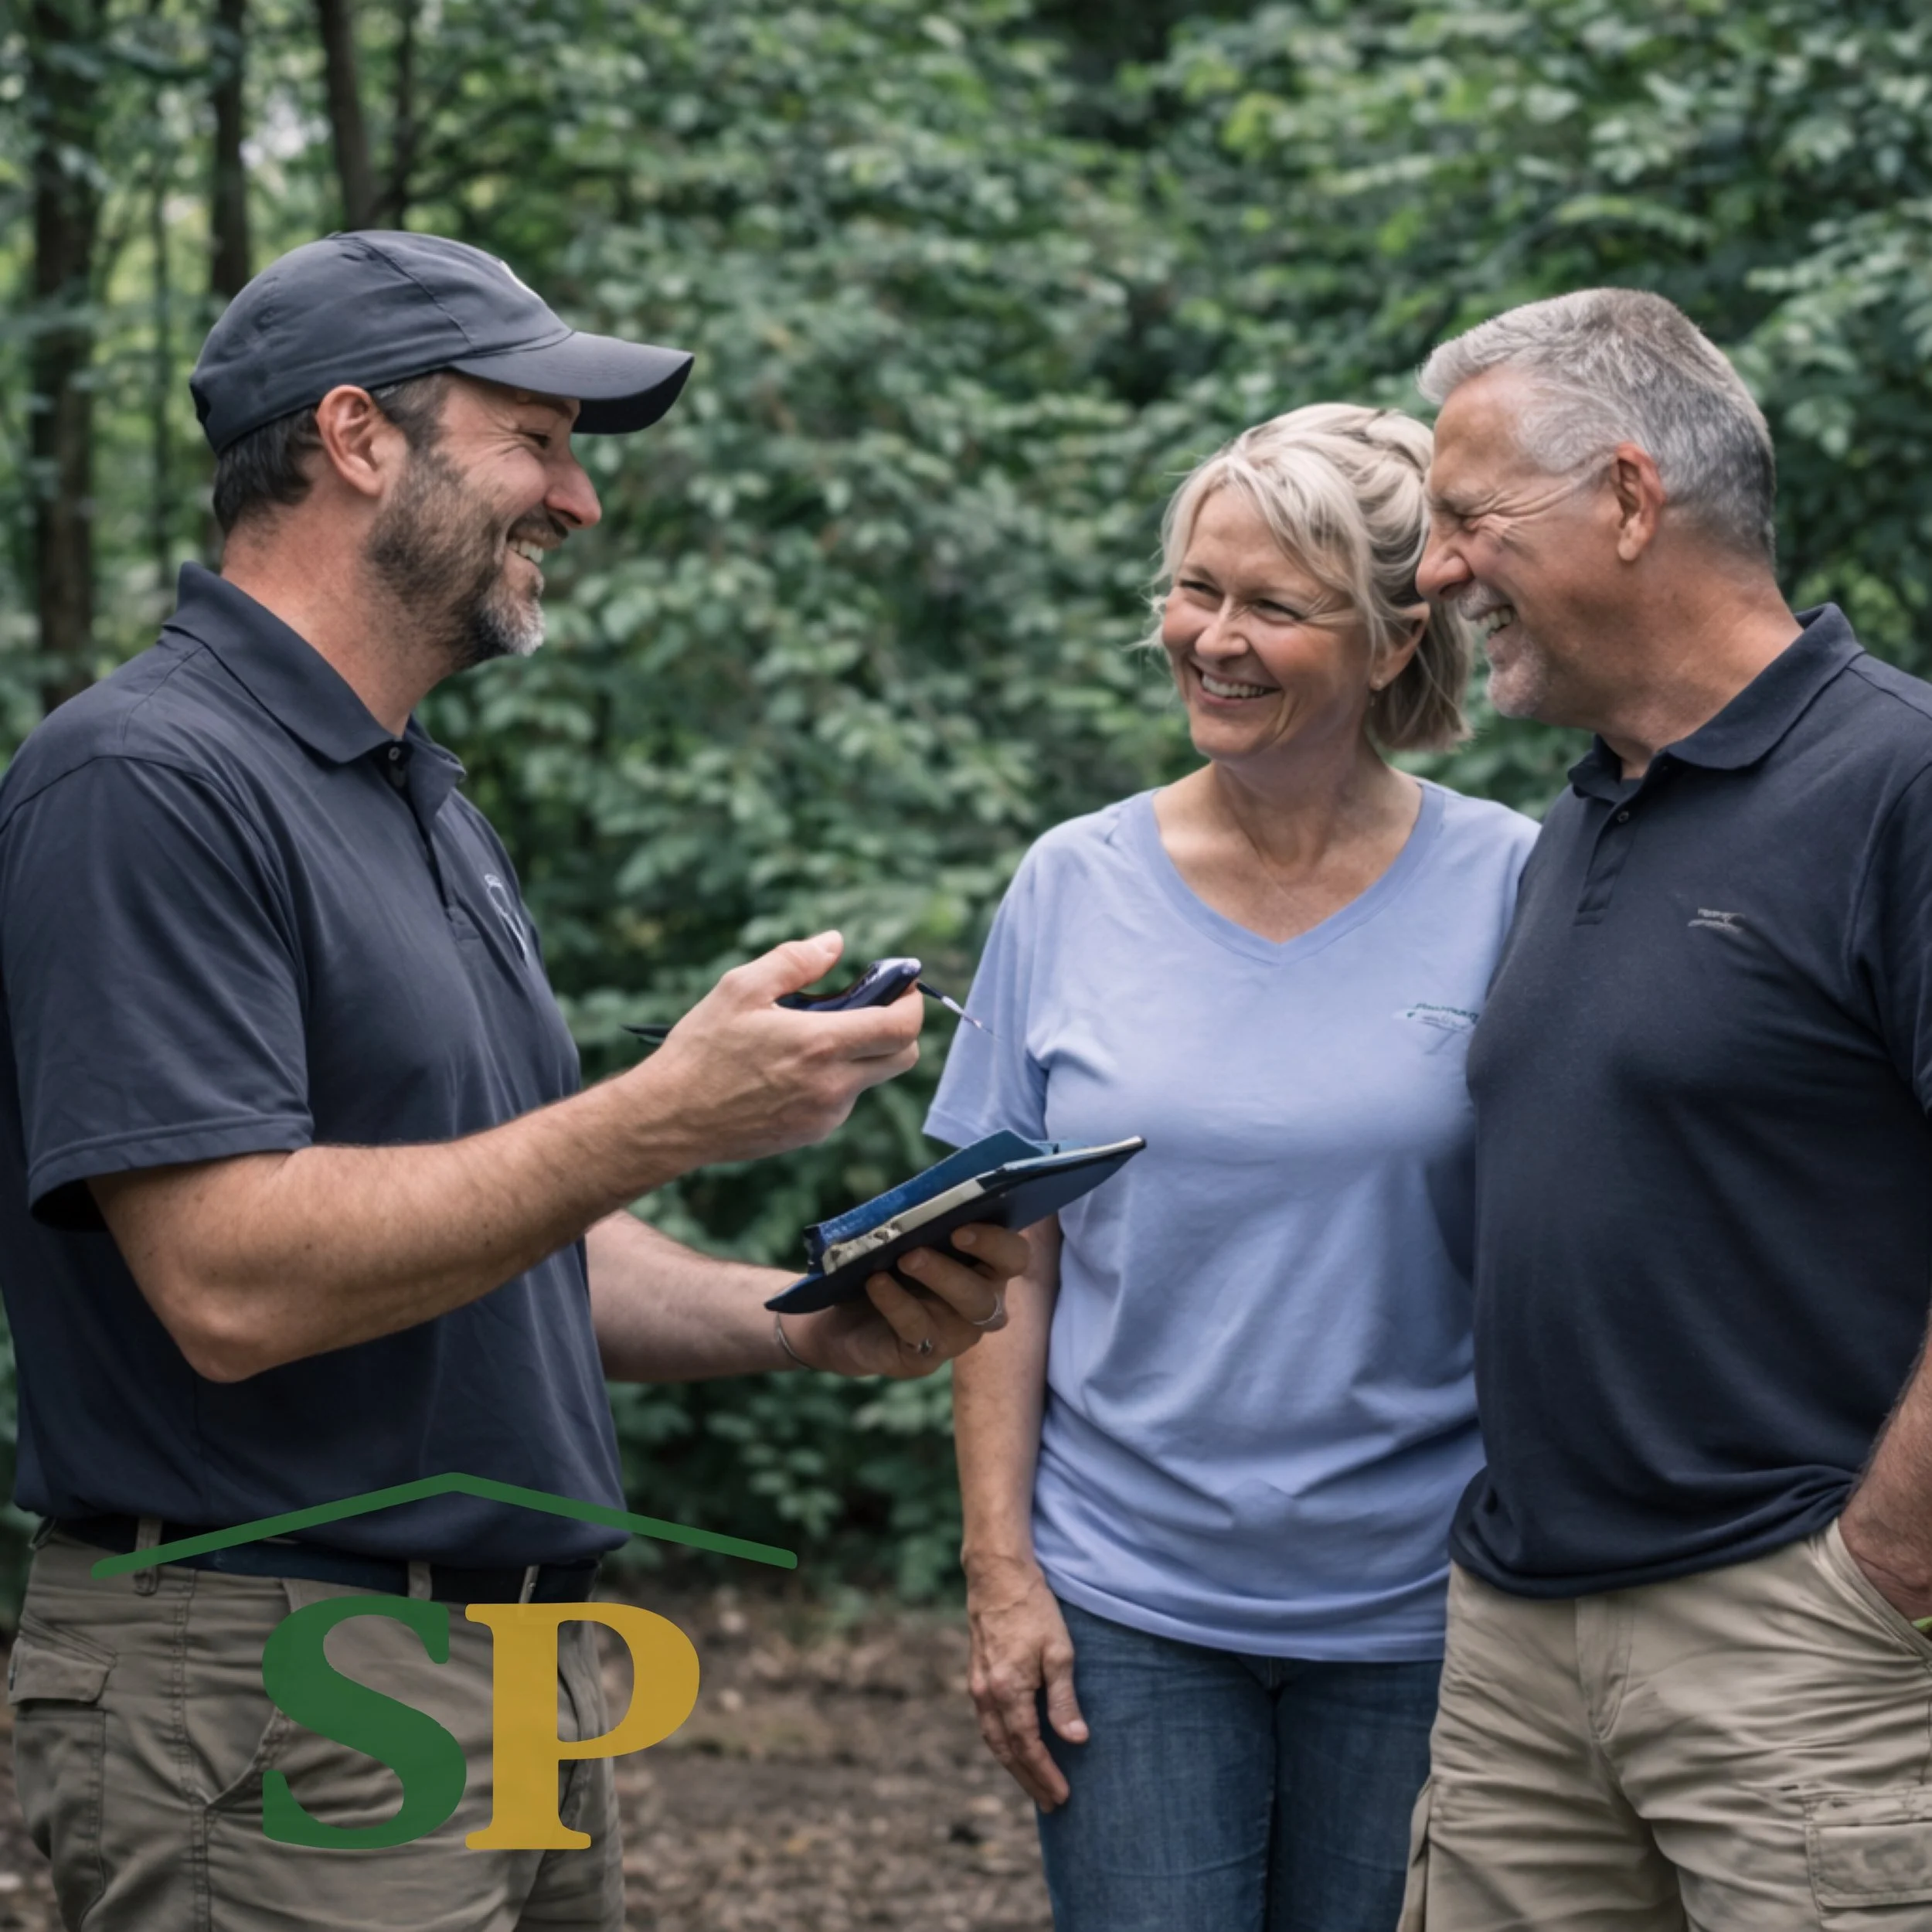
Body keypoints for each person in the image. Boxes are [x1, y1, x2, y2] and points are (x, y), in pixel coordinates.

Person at [0, 230, 1029, 1932]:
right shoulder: (140, 780)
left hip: (523, 1664)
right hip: (280, 1667)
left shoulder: (416, 796)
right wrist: (659, 1113)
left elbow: (494, 1233)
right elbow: (231, 1277)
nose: (578, 499)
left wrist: (799, 1319)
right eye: (536, 442)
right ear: (357, 438)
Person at [927, 403, 1539, 1932]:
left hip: (1424, 1607)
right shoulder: (1070, 882)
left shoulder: (1517, 881)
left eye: (1272, 604)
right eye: (1193, 589)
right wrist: (1000, 1572)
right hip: (1124, 1596)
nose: (1211, 636)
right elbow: (1003, 1263)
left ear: (1394, 642)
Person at [1400, 286, 1932, 1931]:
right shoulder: (1586, 809)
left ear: (1628, 500)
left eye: (1464, 517)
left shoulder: (1892, 782)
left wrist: (1879, 1568)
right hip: (1518, 1636)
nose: (1428, 571)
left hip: (1792, 1634)